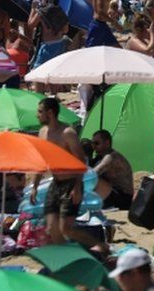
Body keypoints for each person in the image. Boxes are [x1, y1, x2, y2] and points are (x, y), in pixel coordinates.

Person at [30, 97, 103, 250]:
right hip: (55, 183)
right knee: (51, 228)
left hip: (71, 183)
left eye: (40, 112)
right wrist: (35, 186)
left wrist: (77, 187)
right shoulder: (42, 133)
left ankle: (99, 244)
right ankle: (66, 258)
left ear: (50, 113)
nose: (37, 115)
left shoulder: (67, 133)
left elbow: (81, 160)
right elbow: (41, 161)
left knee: (66, 229)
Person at [90, 130, 134, 210]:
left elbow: (92, 174)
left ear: (107, 143)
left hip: (123, 198)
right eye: (92, 143)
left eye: (96, 143)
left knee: (95, 179)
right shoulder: (101, 157)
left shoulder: (110, 157)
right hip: (117, 194)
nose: (93, 147)